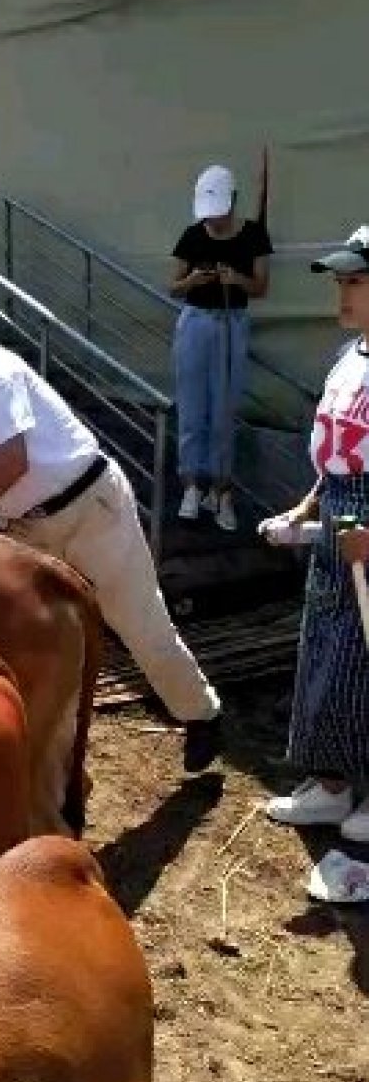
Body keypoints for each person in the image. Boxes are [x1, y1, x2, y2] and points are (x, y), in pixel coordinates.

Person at [0, 304, 223, 773]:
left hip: (91, 506)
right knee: (34, 643)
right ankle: (51, 757)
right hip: (25, 530)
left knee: (138, 623)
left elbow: (12, 460)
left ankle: (201, 713)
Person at [265, 226, 369, 839]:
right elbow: (336, 458)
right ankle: (332, 783)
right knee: (328, 651)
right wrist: (307, 509)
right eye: (342, 281)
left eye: (356, 281)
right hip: (341, 512)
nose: (343, 294)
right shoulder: (349, 358)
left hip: (364, 514)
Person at [170, 164, 272, 532]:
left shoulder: (253, 236)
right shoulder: (192, 236)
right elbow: (174, 286)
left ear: (232, 204)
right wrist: (193, 279)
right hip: (196, 321)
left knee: (224, 410)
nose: (212, 221)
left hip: (232, 322)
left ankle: (222, 489)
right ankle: (192, 485)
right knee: (192, 406)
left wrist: (237, 279)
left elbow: (260, 288)